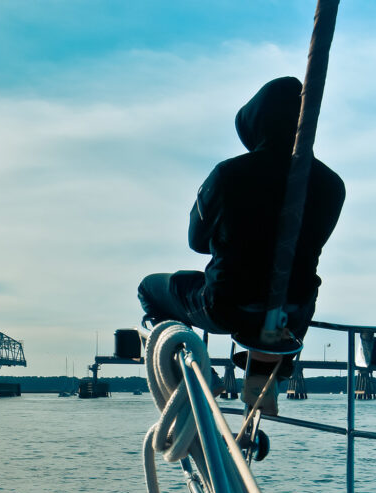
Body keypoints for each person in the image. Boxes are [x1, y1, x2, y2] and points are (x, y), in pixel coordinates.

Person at [138, 76, 346, 359]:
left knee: (149, 288)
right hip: (292, 313)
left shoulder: (229, 174)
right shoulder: (332, 185)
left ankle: (189, 363)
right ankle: (272, 367)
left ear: (257, 121)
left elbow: (196, 241)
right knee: (284, 300)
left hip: (229, 308)